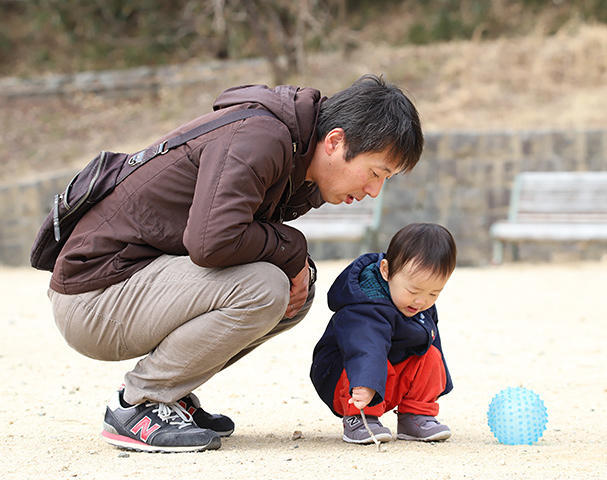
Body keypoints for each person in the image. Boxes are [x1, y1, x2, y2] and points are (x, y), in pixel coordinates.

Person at [47, 74, 424, 453]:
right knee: (265, 286)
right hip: (94, 296)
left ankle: (172, 395)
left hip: (131, 286)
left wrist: (295, 262)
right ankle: (139, 405)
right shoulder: (261, 138)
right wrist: (292, 246)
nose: (374, 191)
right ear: (335, 141)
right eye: (376, 173)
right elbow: (213, 242)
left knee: (296, 287)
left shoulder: (295, 154)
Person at [310, 223, 455, 444]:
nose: (422, 300)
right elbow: (365, 347)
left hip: (386, 374)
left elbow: (430, 339)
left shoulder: (419, 305)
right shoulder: (366, 303)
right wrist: (365, 383)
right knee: (372, 356)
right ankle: (360, 418)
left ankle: (415, 415)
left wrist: (437, 384)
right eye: (413, 290)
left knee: (430, 355)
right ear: (386, 271)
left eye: (434, 293)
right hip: (347, 376)